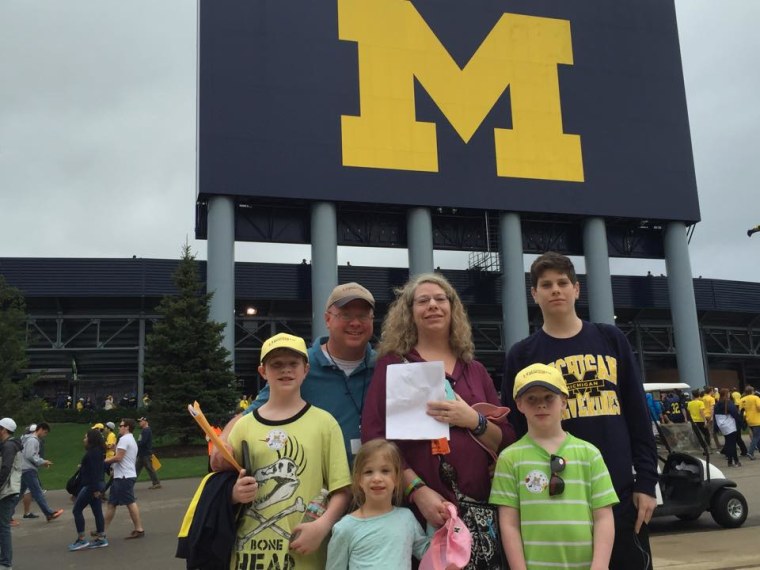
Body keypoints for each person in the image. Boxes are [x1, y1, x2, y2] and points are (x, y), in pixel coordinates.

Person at [502, 252, 658, 570]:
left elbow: (638, 415)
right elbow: (515, 428)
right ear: (534, 294)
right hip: (555, 503)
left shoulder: (611, 339)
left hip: (620, 494)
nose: (555, 290)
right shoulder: (523, 354)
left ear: (577, 289)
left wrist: (646, 482)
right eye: (546, 285)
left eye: (562, 283)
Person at [362, 272, 515, 568]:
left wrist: (474, 420)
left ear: (452, 308)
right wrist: (416, 490)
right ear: (410, 313)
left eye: (440, 299)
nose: (432, 305)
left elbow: (506, 439)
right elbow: (376, 438)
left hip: (477, 513)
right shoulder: (393, 365)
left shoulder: (475, 370)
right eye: (422, 301)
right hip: (421, 516)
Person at [214, 282, 376, 469]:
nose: (355, 323)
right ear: (328, 319)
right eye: (345, 315)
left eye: (363, 316)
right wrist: (224, 442)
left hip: (377, 487)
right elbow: (255, 412)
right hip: (320, 489)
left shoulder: (384, 366)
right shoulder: (300, 366)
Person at [228, 332, 351, 569]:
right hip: (247, 555)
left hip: (305, 554)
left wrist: (322, 525)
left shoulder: (325, 424)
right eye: (277, 365)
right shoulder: (244, 427)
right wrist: (233, 494)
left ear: (306, 369)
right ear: (263, 371)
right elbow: (223, 485)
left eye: (293, 364)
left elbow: (341, 489)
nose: (286, 370)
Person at [491, 364, 617, 569]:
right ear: (519, 404)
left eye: (549, 397)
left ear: (564, 402)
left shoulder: (590, 454)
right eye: (531, 398)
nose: (541, 405)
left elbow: (603, 517)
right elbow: (509, 524)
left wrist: (600, 566)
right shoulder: (509, 459)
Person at [326, 439, 430, 569]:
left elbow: (428, 554)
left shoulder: (406, 518)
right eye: (368, 472)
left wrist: (443, 521)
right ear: (358, 480)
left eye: (385, 471)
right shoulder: (345, 528)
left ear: (397, 478)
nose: (377, 479)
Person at [68, 429, 108, 551]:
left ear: (91, 439)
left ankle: (81, 540)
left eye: (86, 437)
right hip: (97, 484)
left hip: (92, 486)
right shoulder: (98, 451)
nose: (84, 440)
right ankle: (101, 538)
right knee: (97, 511)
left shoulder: (92, 453)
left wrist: (95, 489)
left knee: (77, 510)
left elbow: (95, 472)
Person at [104, 418, 144, 539]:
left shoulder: (124, 439)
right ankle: (102, 531)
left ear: (126, 427)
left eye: (121, 425)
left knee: (130, 502)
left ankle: (139, 529)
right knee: (111, 504)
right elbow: (120, 455)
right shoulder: (130, 439)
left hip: (124, 477)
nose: (119, 427)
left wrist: (105, 461)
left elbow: (119, 457)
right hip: (123, 475)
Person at [16, 423, 64, 522]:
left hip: (24, 468)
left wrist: (41, 462)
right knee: (38, 493)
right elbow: (30, 455)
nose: (45, 435)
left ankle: (6, 514)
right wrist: (43, 461)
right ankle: (49, 513)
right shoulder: (33, 440)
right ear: (40, 429)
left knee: (18, 494)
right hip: (28, 469)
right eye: (45, 432)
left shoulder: (27, 439)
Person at [0, 418, 23, 570]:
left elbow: (6, 469)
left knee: (3, 527)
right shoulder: (8, 445)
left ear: (4, 430)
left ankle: (6, 563)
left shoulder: (9, 446)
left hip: (6, 491)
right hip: (7, 490)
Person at [714, 388, 743, 468]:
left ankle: (730, 462)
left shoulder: (717, 404)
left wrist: (716, 428)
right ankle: (736, 461)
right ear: (727, 394)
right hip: (730, 425)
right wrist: (741, 423)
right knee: (732, 444)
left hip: (722, 426)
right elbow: (734, 413)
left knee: (728, 442)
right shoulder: (728, 402)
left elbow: (715, 416)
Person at [135, 417, 161, 489]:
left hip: (145, 453)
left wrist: (136, 444)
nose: (139, 422)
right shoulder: (144, 430)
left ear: (145, 421)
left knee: (149, 468)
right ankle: (130, 483)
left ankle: (156, 483)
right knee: (137, 469)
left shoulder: (146, 430)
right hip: (142, 453)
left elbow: (143, 442)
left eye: (141, 421)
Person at [740, 385, 760, 459]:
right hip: (757, 420)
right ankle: (750, 452)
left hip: (749, 420)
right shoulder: (756, 398)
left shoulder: (743, 399)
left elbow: (741, 410)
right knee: (756, 436)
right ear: (752, 391)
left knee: (757, 436)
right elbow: (759, 407)